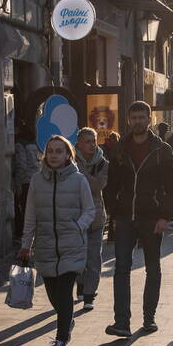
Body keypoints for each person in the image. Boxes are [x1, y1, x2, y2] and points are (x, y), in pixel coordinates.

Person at [103, 100, 173, 337]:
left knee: (153, 268)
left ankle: (149, 318)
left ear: (150, 119)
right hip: (126, 217)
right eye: (133, 118)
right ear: (129, 120)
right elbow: (111, 186)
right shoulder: (120, 149)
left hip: (152, 218)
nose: (137, 122)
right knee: (121, 269)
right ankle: (122, 322)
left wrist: (165, 216)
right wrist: (114, 214)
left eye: (142, 117)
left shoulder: (162, 150)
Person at [17, 136, 96, 346]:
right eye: (50, 151)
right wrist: (26, 244)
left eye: (59, 151)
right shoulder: (36, 180)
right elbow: (30, 215)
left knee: (64, 292)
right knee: (54, 296)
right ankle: (66, 318)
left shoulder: (79, 180)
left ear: (67, 154)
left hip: (71, 246)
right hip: (46, 247)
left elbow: (90, 211)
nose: (53, 155)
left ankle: (60, 341)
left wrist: (77, 227)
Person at [74, 127, 108, 310]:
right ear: (79, 143)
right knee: (79, 257)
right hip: (76, 217)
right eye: (87, 141)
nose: (92, 145)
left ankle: (89, 294)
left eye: (94, 141)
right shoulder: (69, 160)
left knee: (94, 257)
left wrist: (80, 175)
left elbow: (98, 186)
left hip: (95, 217)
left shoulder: (102, 163)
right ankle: (80, 283)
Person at [13, 124, 41, 246]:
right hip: (35, 178)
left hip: (25, 181)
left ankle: (25, 235)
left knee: (26, 208)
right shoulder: (35, 145)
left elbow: (21, 165)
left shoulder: (20, 145)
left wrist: (17, 182)